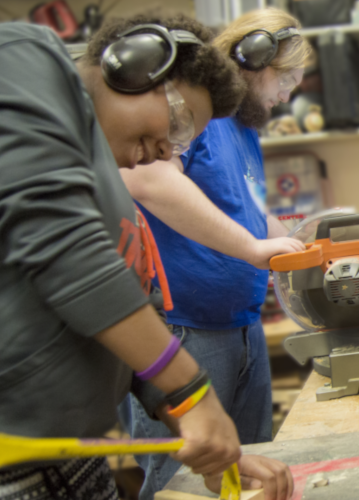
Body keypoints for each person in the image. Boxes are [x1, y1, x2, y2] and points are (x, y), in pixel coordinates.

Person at [0, 14, 292, 500]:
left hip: (75, 461)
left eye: (181, 142)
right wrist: (192, 391)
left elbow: (135, 299)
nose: (163, 152)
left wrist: (205, 439)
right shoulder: (23, 55)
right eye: (176, 124)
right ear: (134, 65)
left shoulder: (103, 176)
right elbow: (62, 246)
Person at [119, 7, 310, 500]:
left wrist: (298, 241)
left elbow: (241, 209)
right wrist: (252, 248)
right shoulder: (193, 110)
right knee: (181, 486)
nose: (288, 95)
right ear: (253, 59)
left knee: (247, 476)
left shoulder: (242, 128)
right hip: (187, 331)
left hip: (241, 326)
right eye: (286, 78)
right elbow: (148, 179)